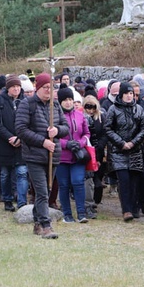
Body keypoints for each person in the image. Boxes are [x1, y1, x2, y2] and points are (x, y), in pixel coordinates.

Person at [15, 73, 69, 240]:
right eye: (46, 88)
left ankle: (37, 223)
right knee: (42, 191)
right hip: (34, 155)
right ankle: (46, 225)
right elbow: (21, 129)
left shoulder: (55, 105)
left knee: (45, 190)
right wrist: (43, 141)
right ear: (38, 88)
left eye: (51, 88)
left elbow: (65, 127)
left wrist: (57, 131)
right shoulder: (27, 104)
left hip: (53, 154)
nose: (49, 91)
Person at [105, 82, 144, 221]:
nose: (129, 96)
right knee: (123, 180)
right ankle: (126, 210)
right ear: (121, 95)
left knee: (135, 181)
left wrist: (134, 142)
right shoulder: (113, 109)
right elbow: (108, 128)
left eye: (131, 94)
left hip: (135, 149)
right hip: (118, 151)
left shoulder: (139, 109)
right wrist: (121, 143)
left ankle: (135, 207)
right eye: (126, 94)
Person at [0, 76, 27, 212]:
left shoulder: (25, 101)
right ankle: (7, 199)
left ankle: (22, 202)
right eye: (13, 87)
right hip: (4, 144)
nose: (16, 89)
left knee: (22, 172)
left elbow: (30, 122)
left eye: (18, 86)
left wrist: (20, 138)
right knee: (5, 174)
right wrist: (10, 137)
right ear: (8, 88)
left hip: (22, 144)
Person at [56, 87, 91, 223]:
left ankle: (81, 213)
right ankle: (67, 214)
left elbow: (86, 133)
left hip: (78, 155)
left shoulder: (80, 115)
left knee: (78, 182)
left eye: (70, 99)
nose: (68, 102)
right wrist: (66, 144)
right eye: (65, 100)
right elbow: (52, 135)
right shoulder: (55, 117)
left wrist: (81, 143)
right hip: (62, 156)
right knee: (64, 185)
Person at [83, 94, 106, 215]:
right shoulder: (82, 117)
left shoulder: (101, 117)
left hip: (99, 150)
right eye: (88, 107)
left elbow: (105, 133)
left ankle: (96, 200)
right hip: (86, 150)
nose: (91, 110)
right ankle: (89, 202)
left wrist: (100, 146)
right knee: (90, 177)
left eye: (93, 107)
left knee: (98, 176)